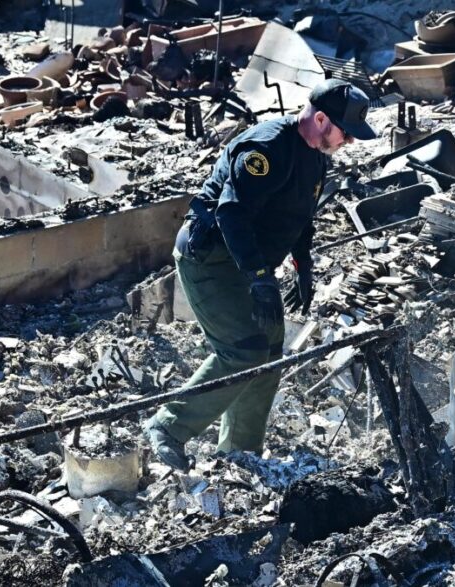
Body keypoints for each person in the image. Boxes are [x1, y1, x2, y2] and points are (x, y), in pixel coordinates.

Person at [143, 79, 378, 471]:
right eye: (345, 133)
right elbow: (231, 215)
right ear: (320, 119)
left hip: (251, 264)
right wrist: (259, 278)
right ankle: (167, 428)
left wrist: (303, 266)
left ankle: (239, 453)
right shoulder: (266, 149)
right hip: (212, 259)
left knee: (268, 355)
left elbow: (300, 216)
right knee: (242, 350)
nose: (349, 143)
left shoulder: (316, 154)